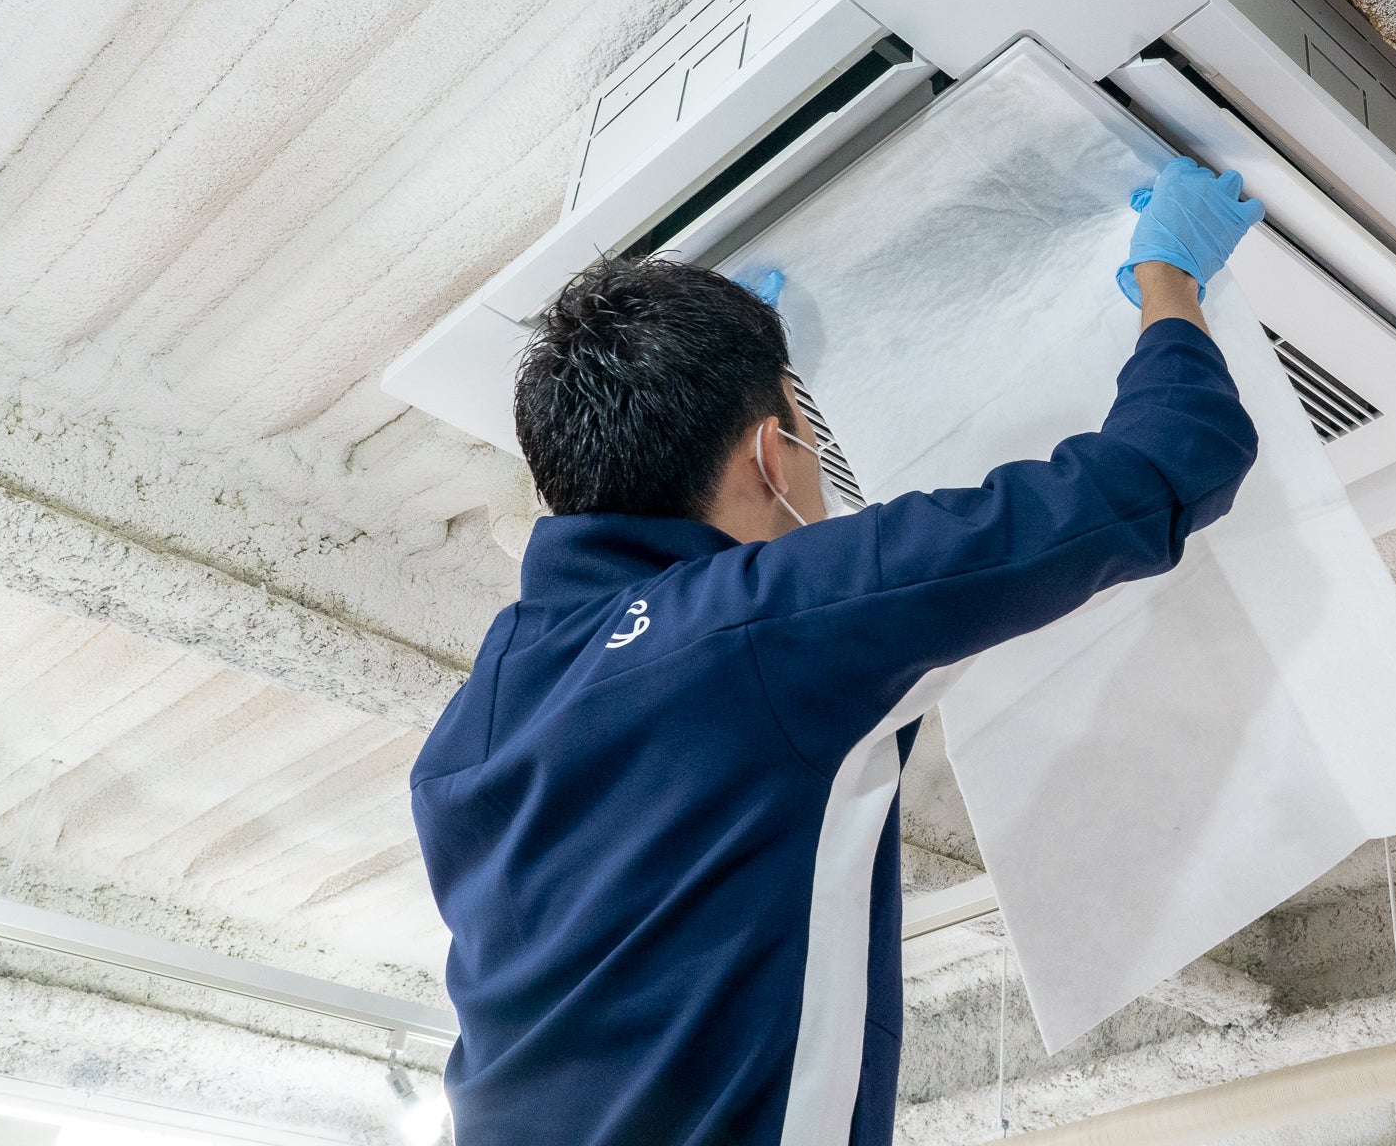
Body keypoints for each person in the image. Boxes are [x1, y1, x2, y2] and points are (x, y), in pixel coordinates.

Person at [410, 158, 1265, 1146]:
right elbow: (1172, 460)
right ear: (773, 455)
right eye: (806, 431)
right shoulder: (768, 627)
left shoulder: (470, 727)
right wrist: (1168, 278)